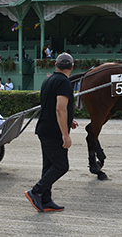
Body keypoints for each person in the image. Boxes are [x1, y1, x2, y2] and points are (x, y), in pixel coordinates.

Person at [25, 52, 78, 212]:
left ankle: (46, 200)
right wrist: (65, 134)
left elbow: (50, 106)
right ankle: (35, 191)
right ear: (72, 67)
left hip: (44, 128)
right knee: (61, 165)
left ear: (56, 65)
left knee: (48, 166)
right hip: (53, 131)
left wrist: (69, 121)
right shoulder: (64, 82)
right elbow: (60, 108)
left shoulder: (48, 80)